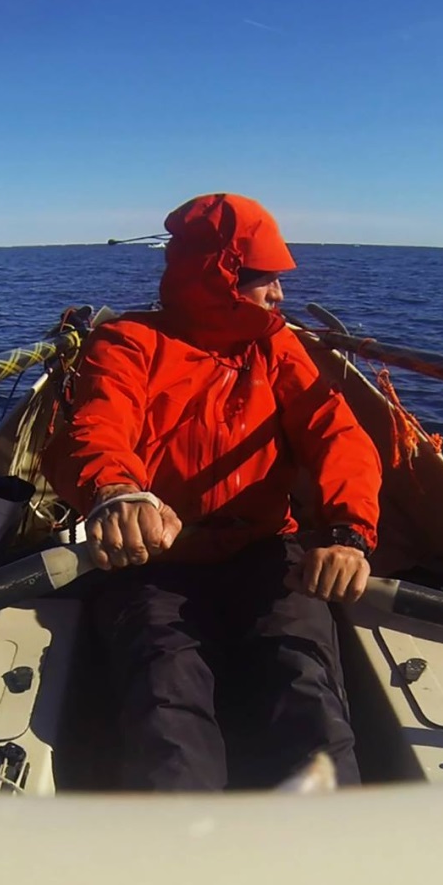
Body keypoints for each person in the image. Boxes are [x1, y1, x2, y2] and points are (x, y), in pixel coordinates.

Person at [43, 192, 382, 791]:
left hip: (266, 552)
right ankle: (183, 839)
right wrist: (117, 492)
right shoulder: (127, 341)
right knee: (165, 697)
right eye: (264, 279)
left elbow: (337, 434)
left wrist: (347, 533)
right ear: (219, 277)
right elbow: (97, 426)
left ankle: (328, 837)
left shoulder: (277, 347)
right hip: (152, 559)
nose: (279, 295)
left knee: (306, 684)